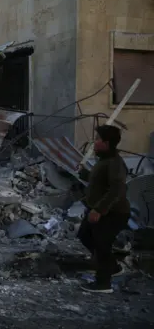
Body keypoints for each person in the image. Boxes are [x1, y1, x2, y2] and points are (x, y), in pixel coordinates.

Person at [77, 124, 130, 293]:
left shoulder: (115, 163)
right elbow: (98, 180)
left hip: (112, 213)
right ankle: (112, 267)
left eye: (98, 139)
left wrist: (99, 210)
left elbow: (116, 190)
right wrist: (85, 174)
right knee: (85, 235)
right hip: (99, 210)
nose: (95, 142)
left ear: (106, 143)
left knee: (102, 245)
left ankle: (103, 283)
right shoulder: (104, 160)